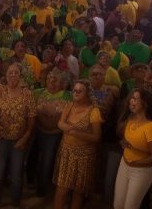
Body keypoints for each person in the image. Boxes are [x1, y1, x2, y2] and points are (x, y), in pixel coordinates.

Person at [0, 63, 34, 207]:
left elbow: (31, 117)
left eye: (16, 72)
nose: (13, 75)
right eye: (10, 72)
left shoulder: (27, 94)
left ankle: (15, 202)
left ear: (20, 76)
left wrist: (26, 136)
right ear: (6, 75)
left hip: (18, 140)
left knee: (16, 173)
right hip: (1, 138)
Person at [52, 79, 102, 209]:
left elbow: (96, 137)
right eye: (75, 90)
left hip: (84, 156)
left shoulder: (93, 111)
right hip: (66, 152)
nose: (76, 93)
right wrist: (68, 128)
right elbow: (60, 123)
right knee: (62, 190)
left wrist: (75, 132)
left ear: (87, 94)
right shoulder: (69, 105)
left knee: (78, 191)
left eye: (80, 91)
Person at [113, 88, 152, 209]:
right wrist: (125, 144)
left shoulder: (151, 126)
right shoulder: (130, 119)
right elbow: (129, 142)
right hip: (124, 165)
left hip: (141, 171)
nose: (131, 101)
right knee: (118, 205)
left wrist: (135, 163)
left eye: (135, 99)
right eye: (131, 98)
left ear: (145, 103)